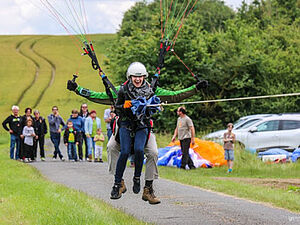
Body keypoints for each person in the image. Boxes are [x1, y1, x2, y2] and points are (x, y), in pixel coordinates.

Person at [111, 62, 161, 202]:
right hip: (126, 123)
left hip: (142, 124)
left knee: (139, 149)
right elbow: (117, 108)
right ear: (130, 77)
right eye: (135, 77)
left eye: (140, 77)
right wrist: (124, 106)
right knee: (125, 151)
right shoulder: (123, 90)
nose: (138, 79)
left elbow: (151, 109)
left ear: (144, 77)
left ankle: (137, 177)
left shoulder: (149, 90)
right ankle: (117, 184)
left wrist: (154, 106)